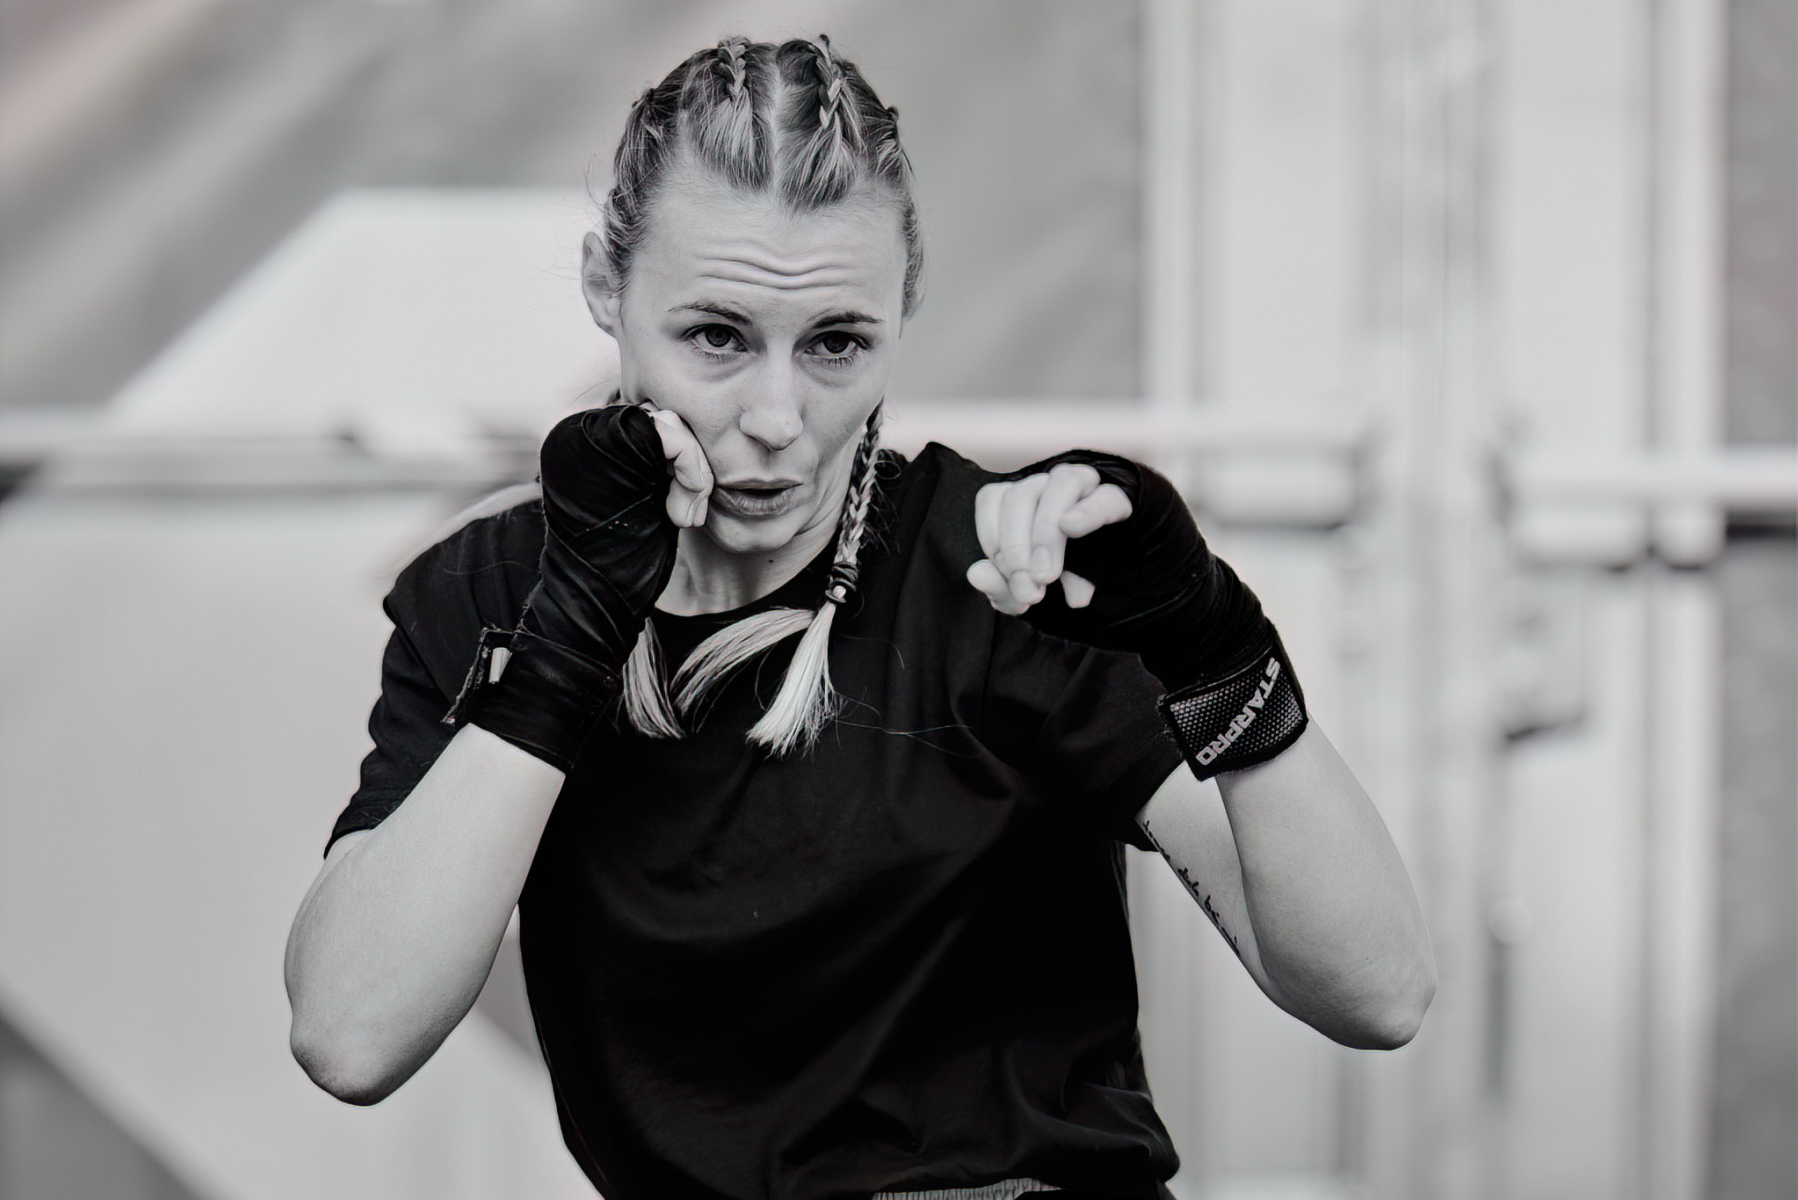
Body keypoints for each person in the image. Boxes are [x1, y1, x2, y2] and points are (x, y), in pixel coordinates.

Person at [283, 35, 1435, 1200]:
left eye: (837, 343)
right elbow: (349, 1035)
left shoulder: (1004, 576)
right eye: (717, 336)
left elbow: (1378, 992)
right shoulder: (494, 592)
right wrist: (564, 644)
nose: (778, 417)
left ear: (903, 309)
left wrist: (1216, 647)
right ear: (604, 286)